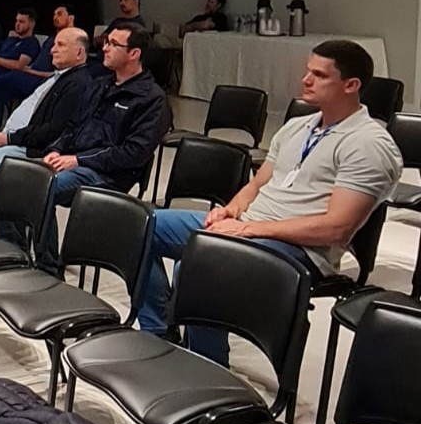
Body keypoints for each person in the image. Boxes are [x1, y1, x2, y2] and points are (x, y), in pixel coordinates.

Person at [138, 41, 403, 367]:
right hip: (250, 227)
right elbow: (256, 185)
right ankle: (158, 331)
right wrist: (231, 210)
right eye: (308, 71)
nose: (306, 80)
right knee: (140, 225)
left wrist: (248, 228)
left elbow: (336, 229)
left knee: (200, 262)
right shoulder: (297, 127)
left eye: (319, 75)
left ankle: (208, 366)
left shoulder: (369, 144)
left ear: (351, 85)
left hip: (301, 250)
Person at [38, 22, 167, 272]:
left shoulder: (152, 99)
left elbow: (133, 153)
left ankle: (48, 269)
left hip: (108, 175)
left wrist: (78, 160)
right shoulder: (100, 85)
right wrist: (55, 150)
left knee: (42, 187)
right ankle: (17, 250)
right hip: (76, 161)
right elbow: (72, 127)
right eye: (106, 42)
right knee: (17, 176)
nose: (105, 48)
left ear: (134, 53)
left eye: (113, 44)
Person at [0, 27, 92, 214]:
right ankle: (12, 220)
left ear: (79, 53)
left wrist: (10, 138)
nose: (52, 50)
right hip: (24, 138)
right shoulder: (61, 77)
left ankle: (13, 222)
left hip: (39, 148)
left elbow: (54, 131)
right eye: (54, 44)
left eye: (60, 45)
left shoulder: (77, 84)